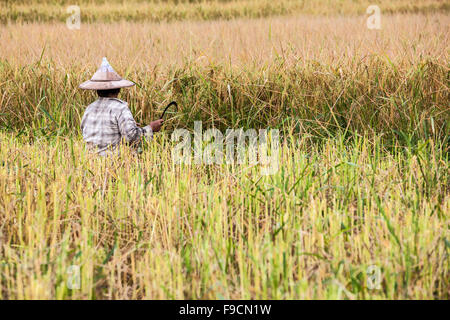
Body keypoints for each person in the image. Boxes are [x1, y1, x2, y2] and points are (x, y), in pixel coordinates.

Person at [79, 57, 163, 156]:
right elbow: (131, 137)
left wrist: (124, 126)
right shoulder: (120, 108)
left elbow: (87, 132)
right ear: (118, 89)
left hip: (90, 162)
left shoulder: (89, 108)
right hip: (112, 163)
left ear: (97, 90)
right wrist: (151, 128)